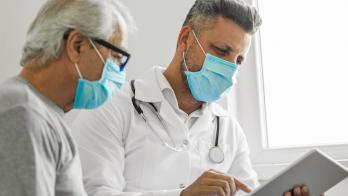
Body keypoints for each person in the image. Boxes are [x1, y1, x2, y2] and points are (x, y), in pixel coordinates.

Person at [72, 0, 316, 196]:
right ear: (185, 39)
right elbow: (93, 192)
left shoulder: (228, 127)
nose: (230, 67)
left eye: (238, 60)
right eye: (222, 51)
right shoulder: (112, 107)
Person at [0, 0, 135, 196]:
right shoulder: (23, 114)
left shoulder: (45, 115)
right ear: (77, 45)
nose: (119, 71)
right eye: (116, 56)